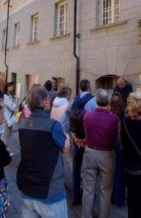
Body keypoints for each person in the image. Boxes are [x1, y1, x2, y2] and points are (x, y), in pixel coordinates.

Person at [17, 86, 70, 217]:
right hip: (50, 191)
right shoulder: (53, 125)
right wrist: (67, 137)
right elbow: (64, 148)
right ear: (45, 102)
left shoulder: (22, 124)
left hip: (27, 188)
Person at [82, 89, 119, 218]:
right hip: (107, 155)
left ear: (96, 100)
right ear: (108, 102)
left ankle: (86, 215)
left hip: (90, 153)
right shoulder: (114, 119)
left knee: (88, 188)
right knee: (106, 190)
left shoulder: (87, 115)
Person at [70, 79, 97, 205]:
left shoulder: (75, 99)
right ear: (89, 87)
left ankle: (75, 193)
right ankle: (89, 197)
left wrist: (74, 136)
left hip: (77, 137)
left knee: (76, 164)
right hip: (88, 137)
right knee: (89, 168)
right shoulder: (92, 100)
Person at [50, 85, 73, 188]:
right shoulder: (67, 105)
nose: (70, 96)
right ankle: (77, 180)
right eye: (70, 94)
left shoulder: (55, 103)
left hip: (53, 132)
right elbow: (68, 123)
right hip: (64, 134)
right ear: (66, 94)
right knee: (71, 158)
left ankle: (57, 177)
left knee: (57, 158)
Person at [109, 93, 127, 207]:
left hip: (111, 148)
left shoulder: (110, 117)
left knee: (112, 174)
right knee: (119, 174)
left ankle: (113, 197)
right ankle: (118, 198)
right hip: (120, 147)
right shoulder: (124, 118)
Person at [2, 82, 17, 154]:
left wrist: (14, 105)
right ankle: (3, 150)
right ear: (6, 87)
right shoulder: (5, 96)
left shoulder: (9, 95)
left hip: (10, 118)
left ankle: (6, 149)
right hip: (7, 118)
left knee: (9, 134)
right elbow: (12, 107)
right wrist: (14, 105)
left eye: (12, 86)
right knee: (6, 135)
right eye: (10, 86)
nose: (11, 87)